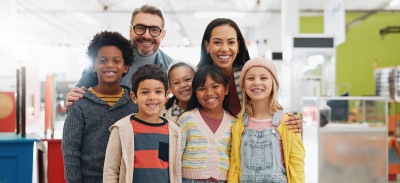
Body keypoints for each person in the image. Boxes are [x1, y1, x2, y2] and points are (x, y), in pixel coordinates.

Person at [197, 18, 303, 132]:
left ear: (238, 45)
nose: (224, 49)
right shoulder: (196, 79)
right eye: (217, 42)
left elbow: (270, 108)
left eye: (231, 42)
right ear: (207, 46)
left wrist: (290, 121)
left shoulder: (249, 77)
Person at [62, 31, 137, 183]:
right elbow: (70, 151)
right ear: (94, 66)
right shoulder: (79, 104)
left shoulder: (134, 105)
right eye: (102, 60)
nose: (109, 65)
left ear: (125, 67)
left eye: (116, 61)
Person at [65, 4, 173, 109]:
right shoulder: (106, 55)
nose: (146, 35)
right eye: (140, 28)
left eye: (154, 30)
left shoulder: (171, 69)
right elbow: (79, 95)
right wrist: (73, 99)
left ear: (163, 35)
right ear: (130, 31)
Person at [228, 57, 305, 183]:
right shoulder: (238, 126)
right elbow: (234, 166)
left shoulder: (287, 123)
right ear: (243, 86)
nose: (256, 82)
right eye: (250, 78)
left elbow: (296, 165)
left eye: (263, 78)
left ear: (274, 85)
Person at [103, 64, 182, 183]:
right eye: (145, 92)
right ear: (134, 97)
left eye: (158, 92)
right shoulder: (121, 129)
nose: (152, 97)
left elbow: (176, 171)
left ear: (166, 96)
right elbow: (110, 171)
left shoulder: (174, 130)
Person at [178, 65, 236, 183]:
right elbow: (175, 155)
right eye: (202, 89)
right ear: (195, 92)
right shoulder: (187, 120)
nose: (209, 93)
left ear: (226, 89)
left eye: (215, 86)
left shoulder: (234, 124)